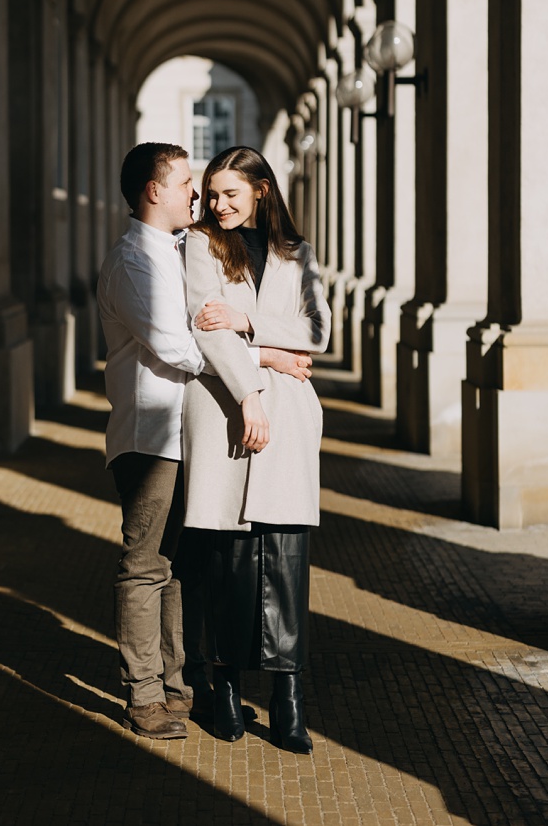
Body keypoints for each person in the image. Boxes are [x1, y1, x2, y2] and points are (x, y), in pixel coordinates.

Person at [96, 142, 309, 739]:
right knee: (144, 567)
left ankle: (176, 687)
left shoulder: (173, 251)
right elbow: (179, 346)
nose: (198, 194)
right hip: (149, 433)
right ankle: (143, 696)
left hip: (181, 432)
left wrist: (249, 334)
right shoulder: (134, 262)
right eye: (188, 182)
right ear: (153, 191)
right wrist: (266, 353)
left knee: (179, 568)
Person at [182, 145, 331, 754]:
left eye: (231, 195)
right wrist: (254, 383)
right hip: (224, 411)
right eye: (212, 195)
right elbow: (201, 325)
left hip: (290, 419)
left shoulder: (299, 254)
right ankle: (221, 685)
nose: (218, 206)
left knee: (286, 561)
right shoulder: (199, 244)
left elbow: (320, 332)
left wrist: (249, 328)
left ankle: (288, 698)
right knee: (225, 557)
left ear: (262, 191)